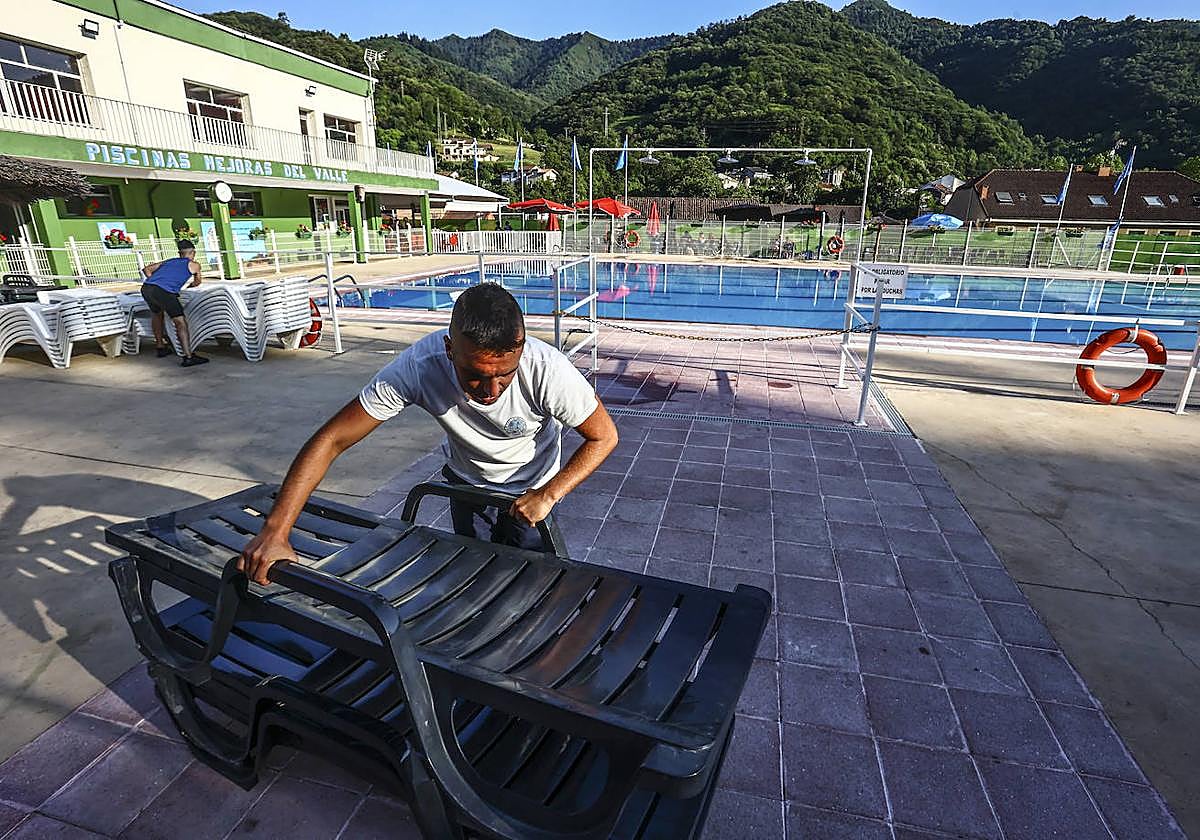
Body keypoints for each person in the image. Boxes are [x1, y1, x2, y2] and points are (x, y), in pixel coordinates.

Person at [239, 283, 619, 585]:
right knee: (475, 575)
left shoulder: (546, 369)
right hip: (466, 487)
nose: (490, 391)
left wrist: (549, 493)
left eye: (505, 374)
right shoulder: (419, 366)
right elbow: (332, 438)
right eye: (475, 374)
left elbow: (603, 436)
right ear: (449, 348)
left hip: (532, 492)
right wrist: (276, 531)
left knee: (535, 582)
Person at [140, 240, 207, 367]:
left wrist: (156, 282)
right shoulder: (194, 265)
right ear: (193, 252)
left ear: (179, 253)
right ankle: (188, 356)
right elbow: (197, 282)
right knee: (180, 322)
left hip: (147, 288)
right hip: (164, 291)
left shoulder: (170, 261)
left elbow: (147, 269)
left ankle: (160, 347)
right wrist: (190, 286)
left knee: (157, 314)